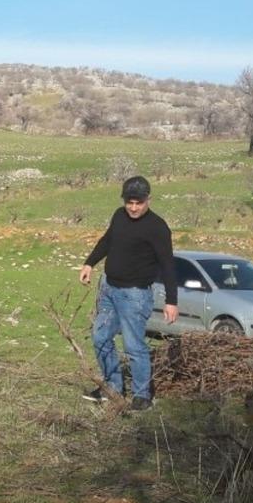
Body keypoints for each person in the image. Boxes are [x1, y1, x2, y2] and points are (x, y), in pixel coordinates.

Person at [78, 175, 177, 411]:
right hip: (109, 289)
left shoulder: (158, 228)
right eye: (129, 202)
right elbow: (107, 241)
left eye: (138, 203)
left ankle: (142, 396)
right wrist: (89, 263)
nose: (133, 208)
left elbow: (168, 265)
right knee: (100, 338)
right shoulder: (119, 216)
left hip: (135, 295)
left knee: (134, 346)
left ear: (148, 200)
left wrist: (171, 301)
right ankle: (113, 388)